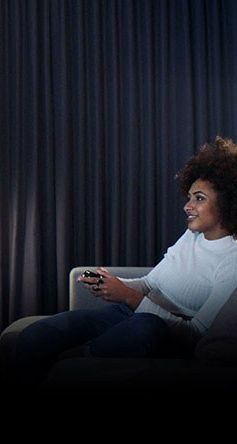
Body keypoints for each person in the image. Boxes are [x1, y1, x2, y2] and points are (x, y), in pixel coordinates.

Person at [12, 136, 237, 388]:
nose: (187, 206)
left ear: (228, 202)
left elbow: (197, 333)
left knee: (146, 327)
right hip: (130, 314)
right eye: (189, 197)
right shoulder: (192, 235)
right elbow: (150, 283)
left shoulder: (232, 261)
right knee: (33, 337)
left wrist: (129, 296)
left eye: (199, 198)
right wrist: (114, 284)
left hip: (161, 334)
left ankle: (78, 359)